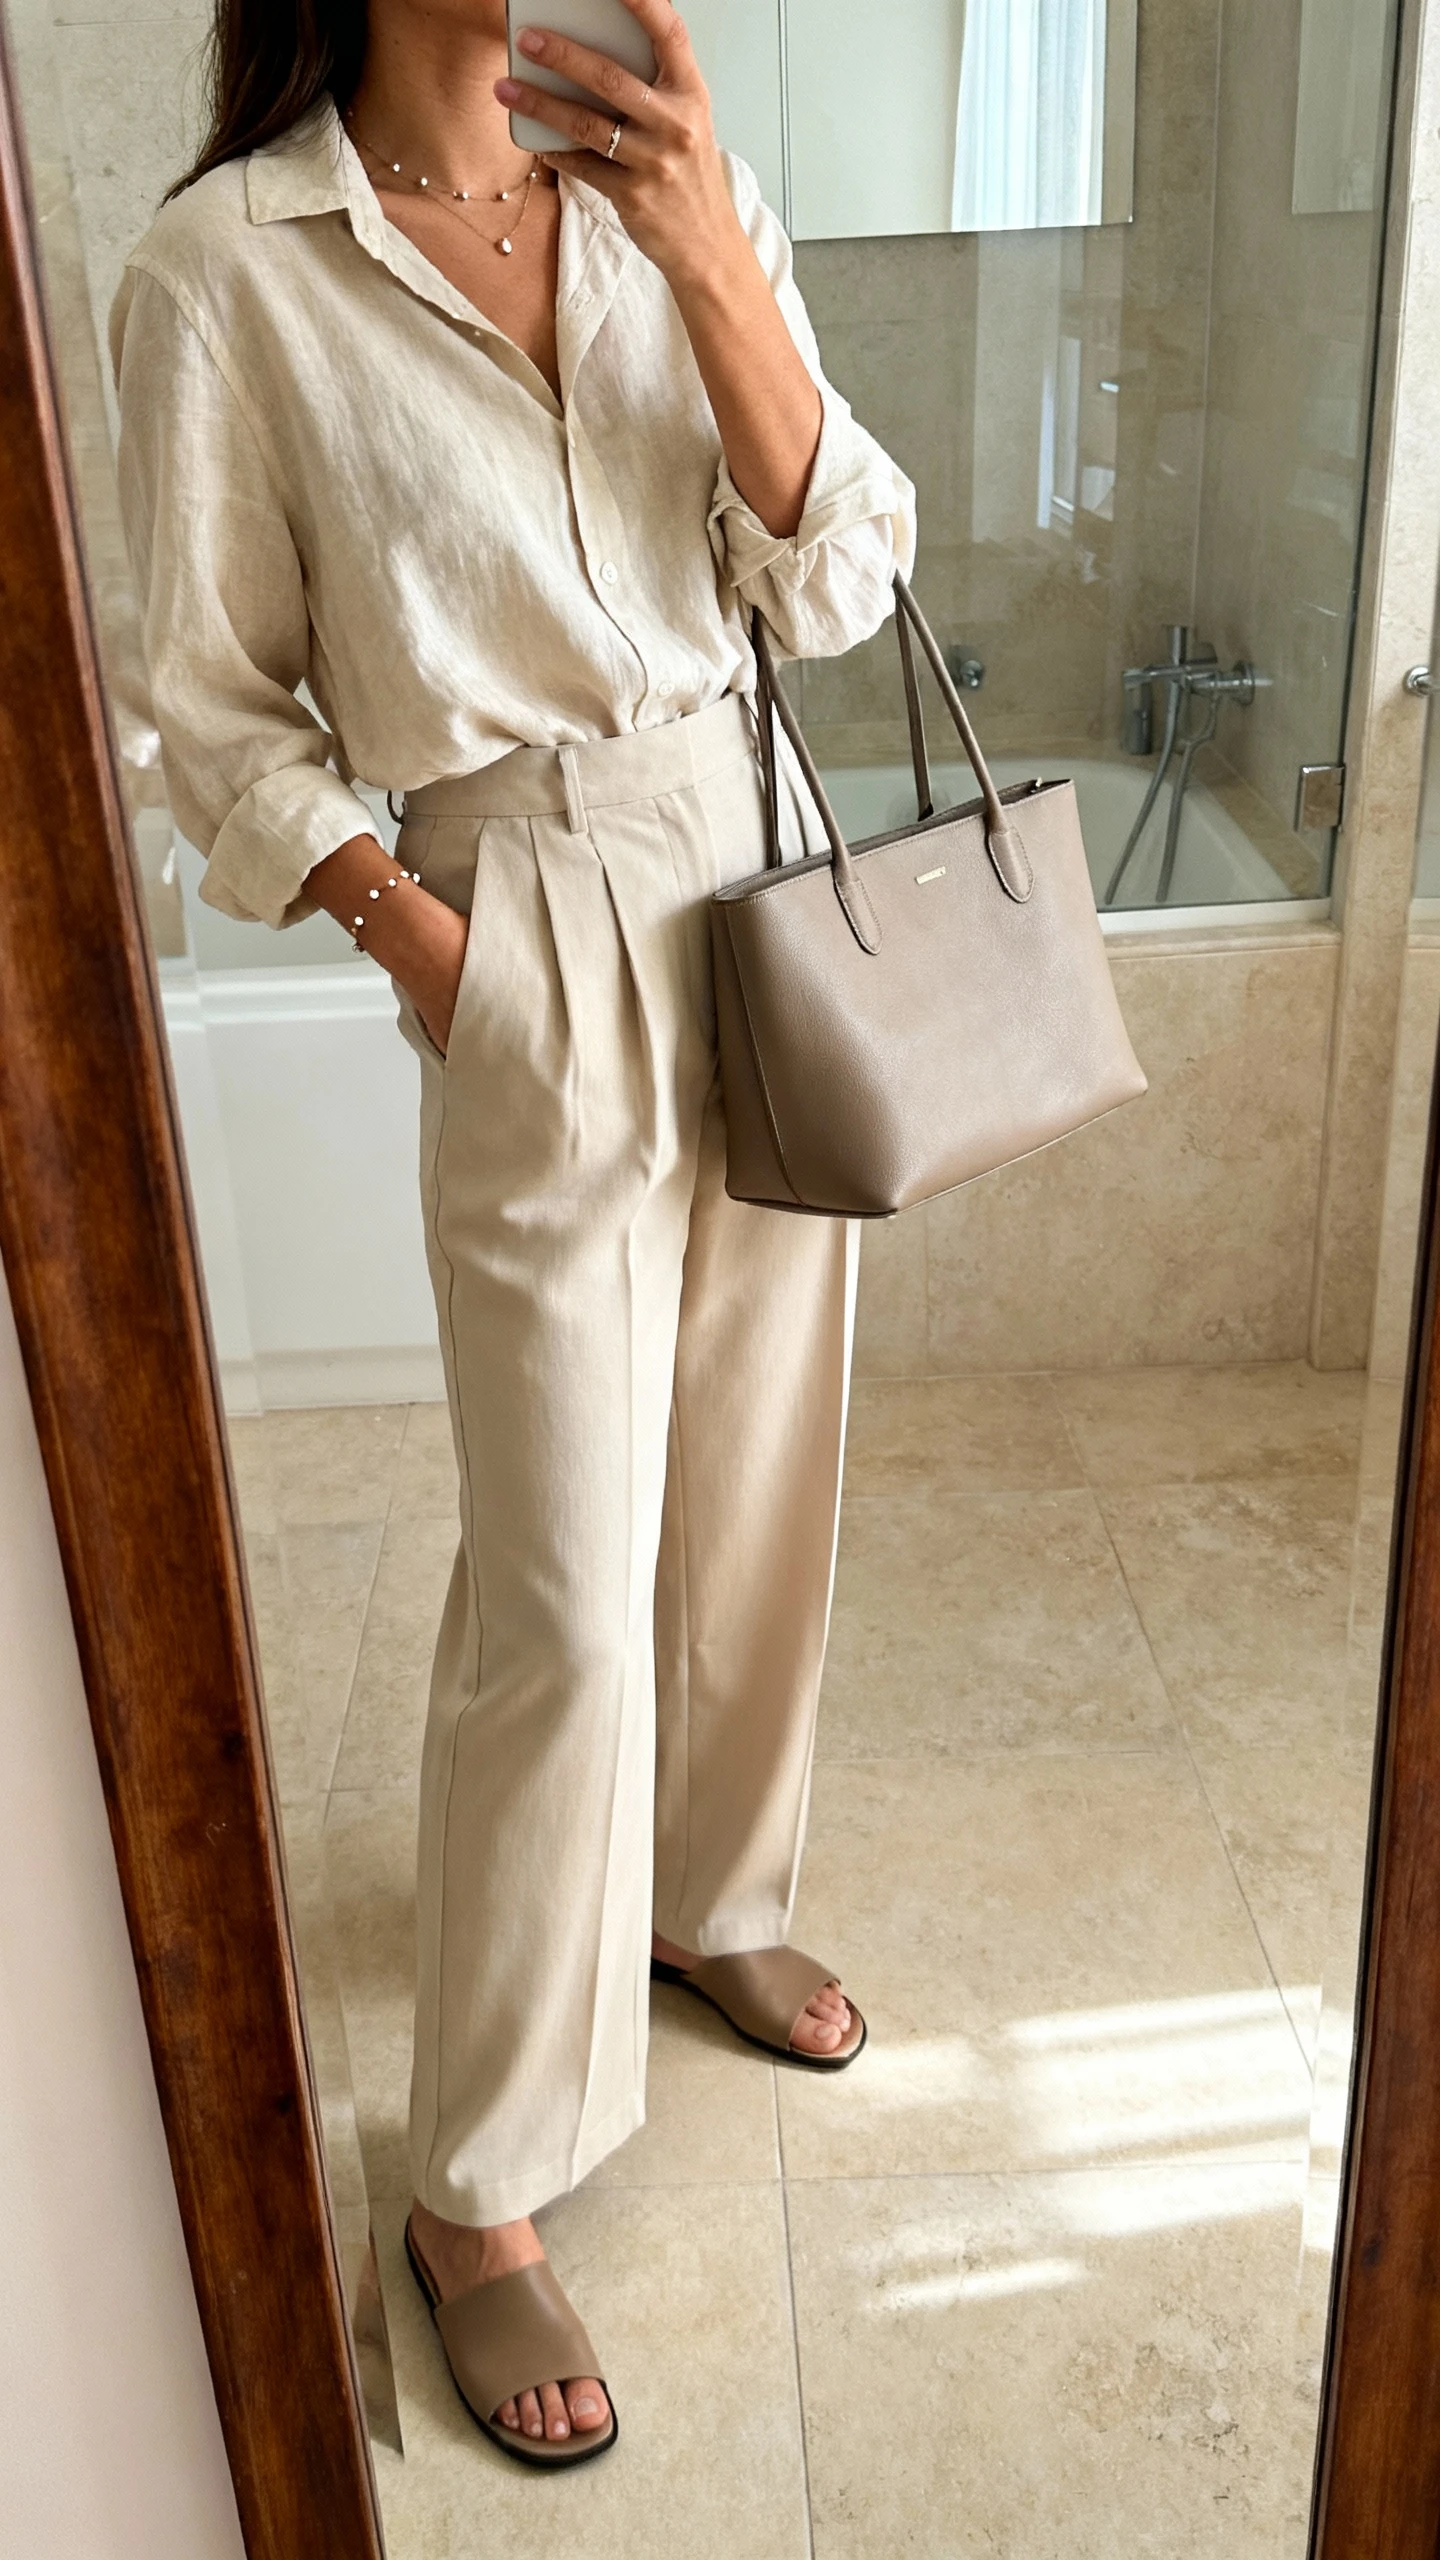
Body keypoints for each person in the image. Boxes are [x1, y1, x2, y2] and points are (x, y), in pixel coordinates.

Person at [111, 0, 915, 2469]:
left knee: (767, 1475)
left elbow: (846, 567)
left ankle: (705, 1884)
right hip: (521, 902)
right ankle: (474, 2182)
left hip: (753, 860)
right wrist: (410, 927)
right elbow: (209, 705)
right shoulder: (229, 271)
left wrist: (710, 259)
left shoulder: (682, 184)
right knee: (563, 1577)